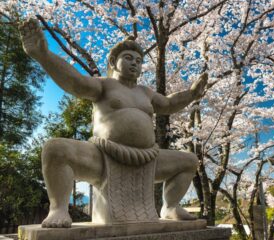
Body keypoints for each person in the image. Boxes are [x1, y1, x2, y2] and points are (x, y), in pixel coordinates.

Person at [19, 19, 207, 228]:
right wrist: (44, 56)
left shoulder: (146, 93)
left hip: (148, 159)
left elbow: (170, 103)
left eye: (138, 60)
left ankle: (170, 206)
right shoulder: (104, 85)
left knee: (189, 161)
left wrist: (191, 94)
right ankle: (59, 208)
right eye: (128, 58)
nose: (135, 62)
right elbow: (75, 83)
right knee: (55, 149)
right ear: (112, 62)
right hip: (102, 156)